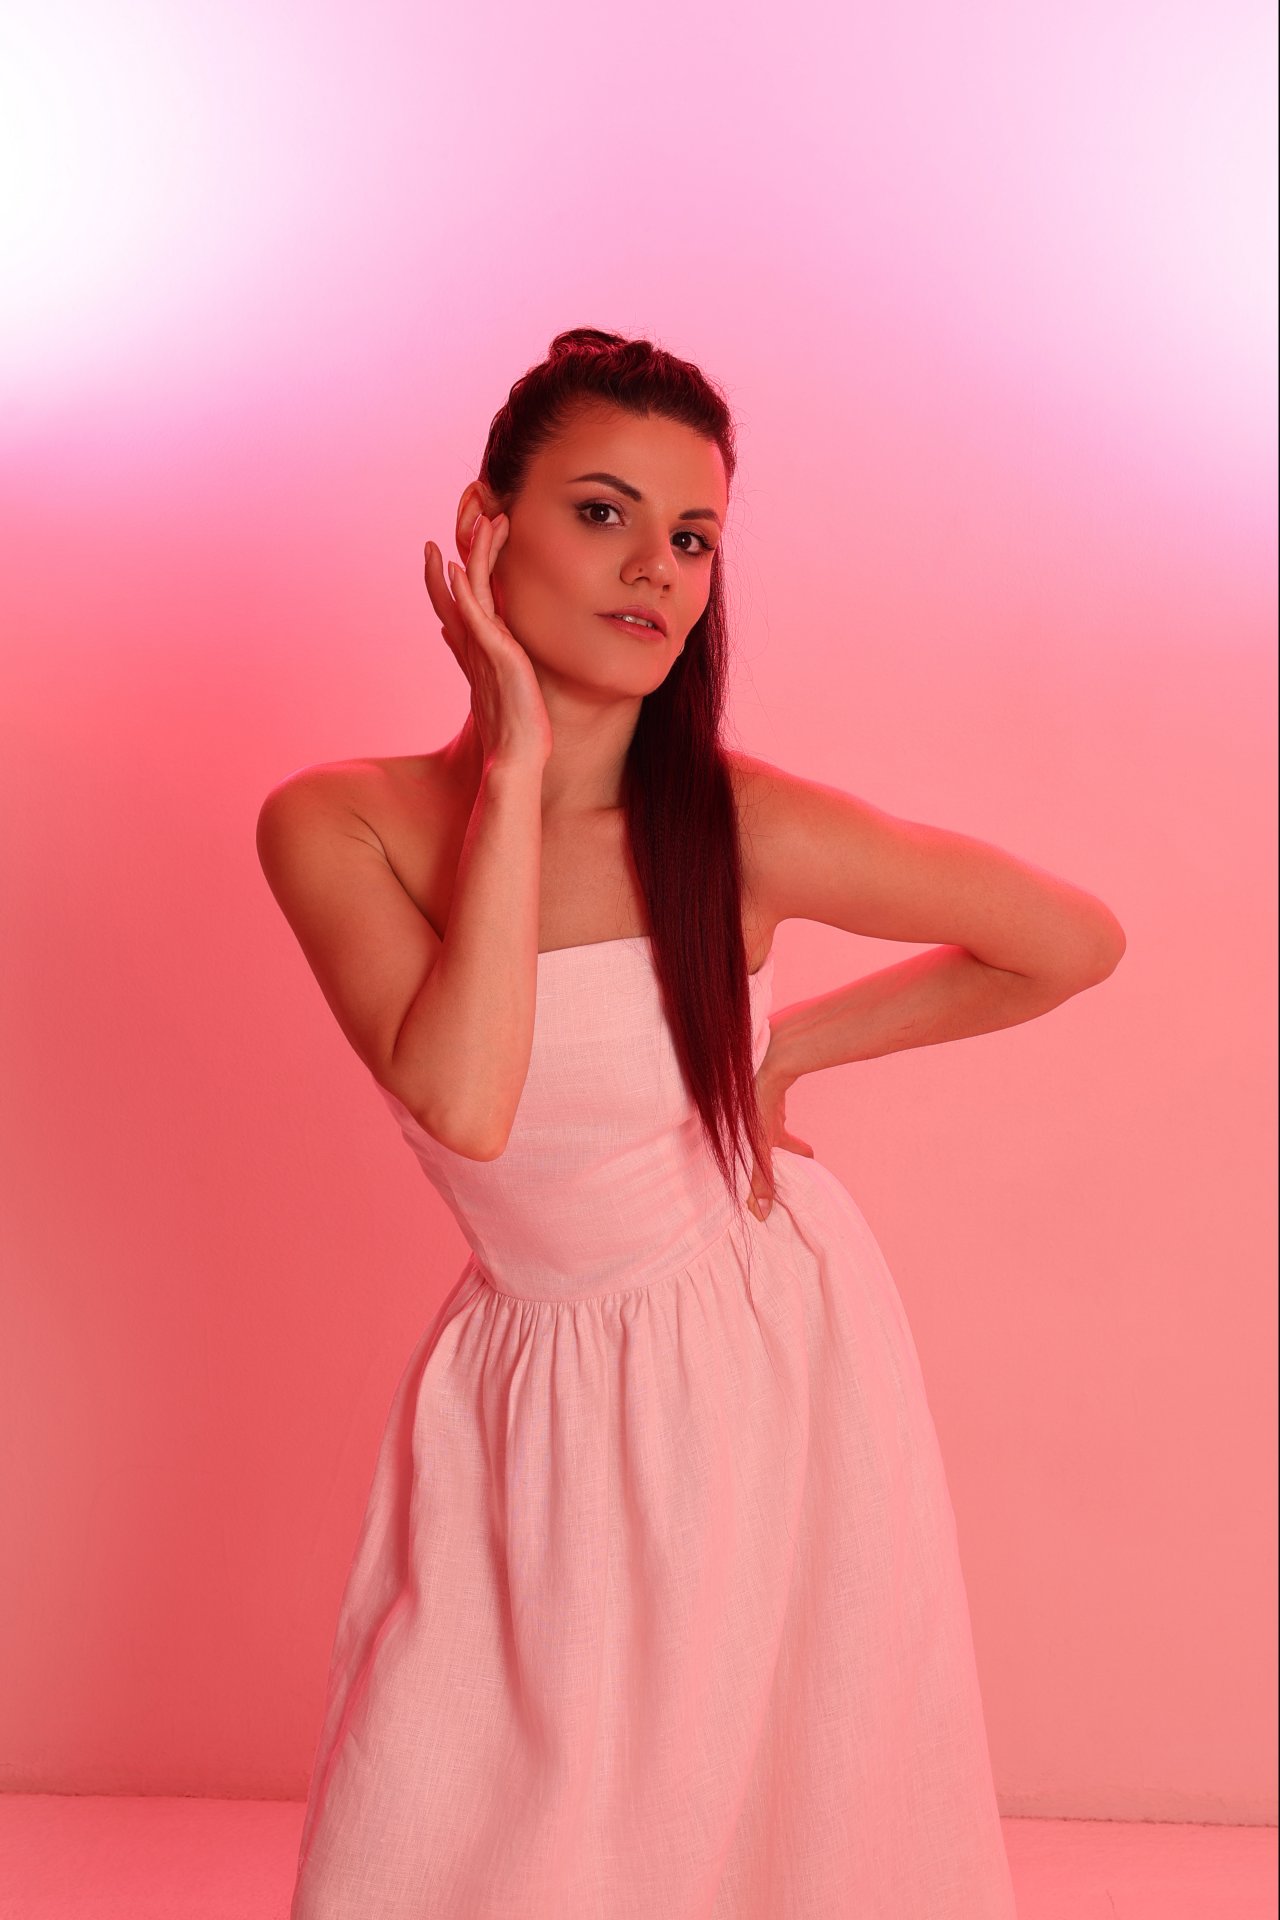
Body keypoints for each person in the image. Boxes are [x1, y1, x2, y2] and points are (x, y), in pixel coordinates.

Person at [256, 327, 1124, 1918]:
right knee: (451, 1809)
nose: (658, 566)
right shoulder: (338, 822)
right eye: (603, 512)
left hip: (756, 1347)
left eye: (696, 536)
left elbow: (1070, 942)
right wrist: (517, 757)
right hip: (525, 1360)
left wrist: (781, 1053)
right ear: (484, 526)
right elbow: (464, 1095)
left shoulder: (738, 823)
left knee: (756, 1819)